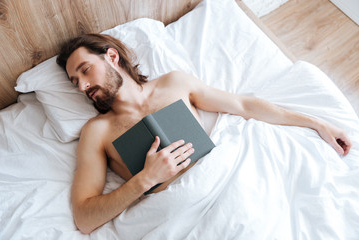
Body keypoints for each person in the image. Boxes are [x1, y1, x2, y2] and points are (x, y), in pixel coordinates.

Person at [56, 33, 352, 234]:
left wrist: (316, 124)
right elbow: (84, 217)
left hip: (232, 181)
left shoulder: (173, 84)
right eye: (74, 82)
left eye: (85, 70)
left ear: (111, 56)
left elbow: (243, 105)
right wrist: (144, 179)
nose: (82, 86)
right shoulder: (96, 132)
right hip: (186, 213)